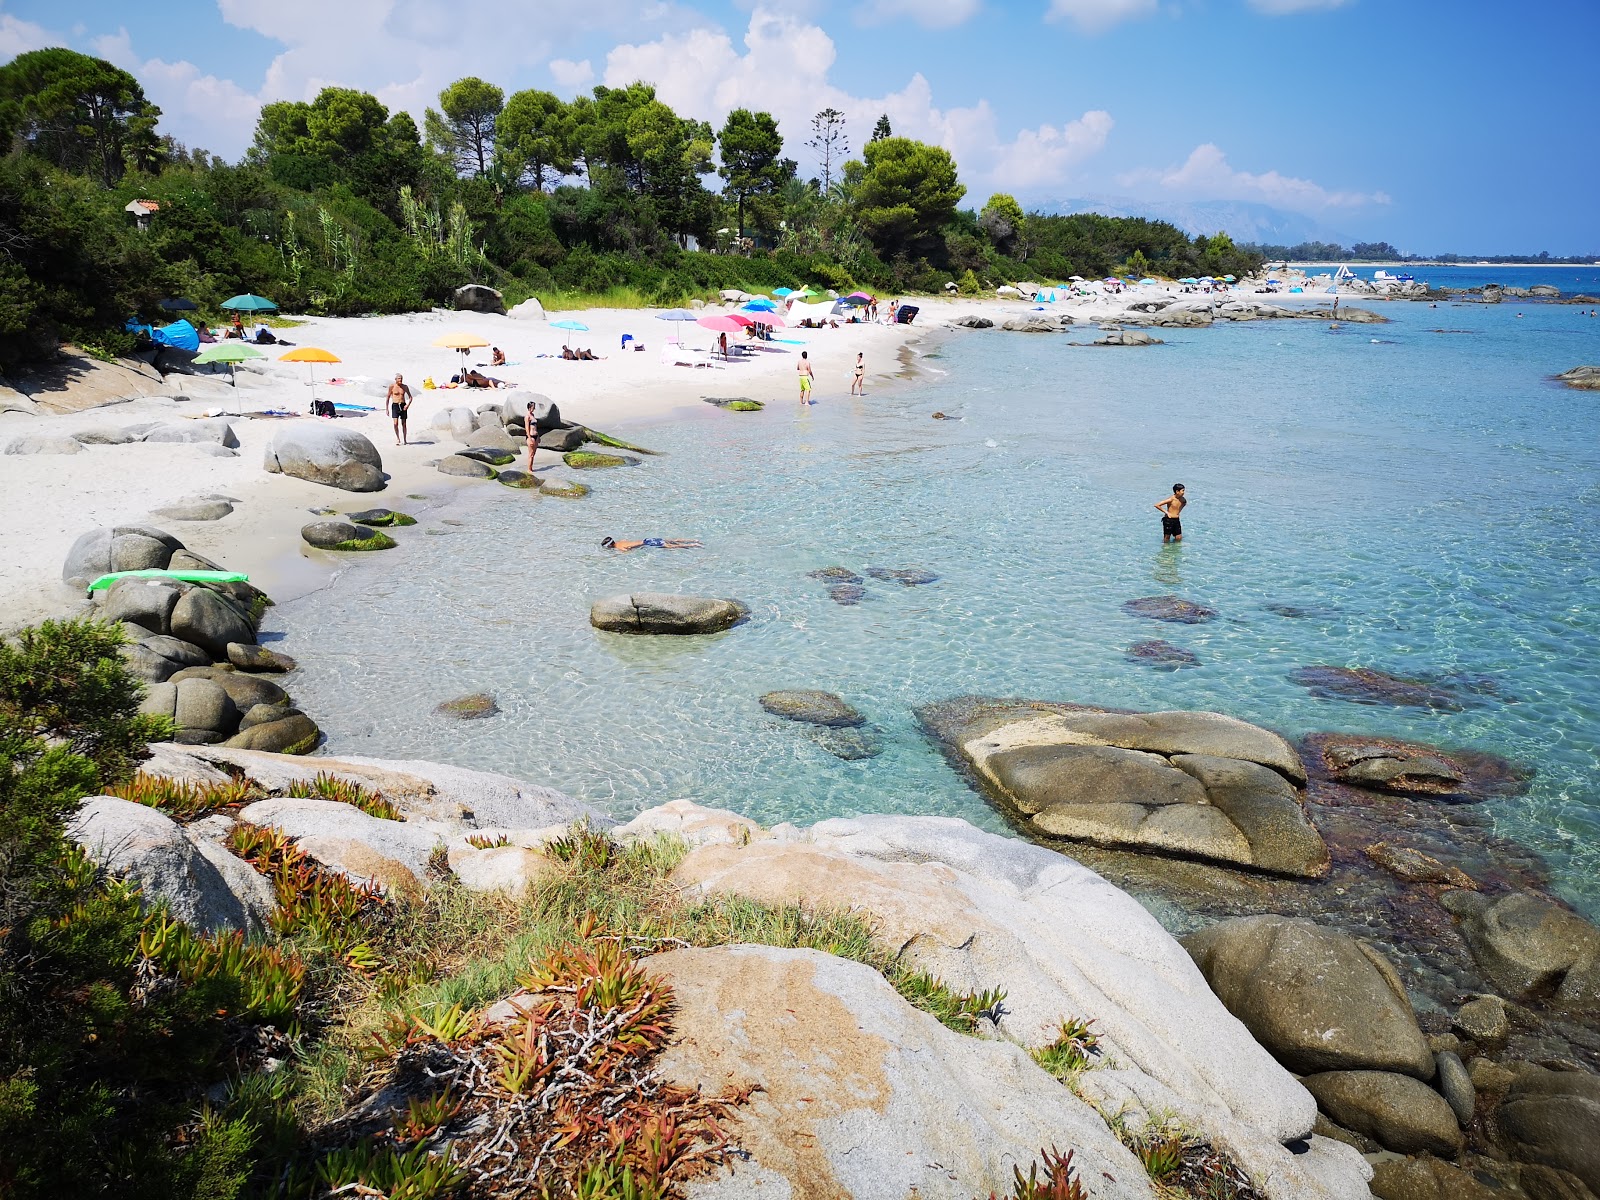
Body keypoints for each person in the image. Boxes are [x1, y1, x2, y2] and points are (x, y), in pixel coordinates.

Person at [387, 373, 413, 445]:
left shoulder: (405, 387)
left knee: (404, 424)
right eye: (398, 378)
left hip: (403, 405)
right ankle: (398, 438)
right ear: (395, 379)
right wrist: (387, 409)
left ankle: (405, 439)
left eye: (401, 378)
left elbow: (410, 397)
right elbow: (388, 397)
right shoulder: (392, 386)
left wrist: (407, 405)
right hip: (395, 405)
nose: (400, 380)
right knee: (395, 423)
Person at [600, 537, 703, 552]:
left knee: (670, 546)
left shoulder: (619, 547)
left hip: (647, 543)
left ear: (609, 545)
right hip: (647, 538)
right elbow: (627, 541)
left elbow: (627, 551)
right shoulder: (621, 541)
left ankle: (693, 545)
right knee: (671, 540)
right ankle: (694, 540)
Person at [524, 399, 539, 470]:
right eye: (533, 407)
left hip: (536, 436)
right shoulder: (527, 417)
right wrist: (529, 438)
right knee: (531, 454)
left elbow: (535, 427)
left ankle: (531, 468)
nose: (534, 408)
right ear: (530, 407)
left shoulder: (533, 415)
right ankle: (529, 469)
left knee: (533, 454)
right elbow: (527, 428)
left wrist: (538, 436)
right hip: (531, 436)